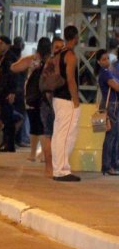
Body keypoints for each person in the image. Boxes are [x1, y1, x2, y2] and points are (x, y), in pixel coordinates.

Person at [52, 26, 81, 182]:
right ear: (75, 37)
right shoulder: (70, 55)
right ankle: (62, 170)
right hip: (66, 99)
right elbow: (70, 78)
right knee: (66, 135)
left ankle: (57, 168)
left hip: (57, 98)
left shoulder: (58, 53)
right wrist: (75, 100)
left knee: (58, 134)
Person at [94, 49, 119, 176]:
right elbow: (116, 87)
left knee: (112, 135)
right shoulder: (105, 73)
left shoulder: (105, 72)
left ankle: (110, 165)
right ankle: (108, 166)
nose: (106, 61)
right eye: (103, 59)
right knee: (111, 135)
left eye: (107, 58)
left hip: (108, 105)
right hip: (112, 106)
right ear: (98, 62)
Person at [0, 36, 20, 153]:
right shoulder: (4, 57)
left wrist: (12, 92)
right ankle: (5, 143)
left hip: (7, 92)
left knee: (8, 119)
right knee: (5, 118)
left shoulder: (10, 58)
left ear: (8, 45)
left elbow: (13, 76)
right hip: (3, 90)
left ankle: (9, 144)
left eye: (2, 43)